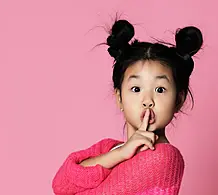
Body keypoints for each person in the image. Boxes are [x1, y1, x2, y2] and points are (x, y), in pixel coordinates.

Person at [52, 19, 203, 195]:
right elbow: (60, 185)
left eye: (160, 89)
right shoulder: (107, 148)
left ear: (179, 100)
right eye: (136, 89)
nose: (148, 100)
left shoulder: (164, 157)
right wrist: (121, 153)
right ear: (119, 97)